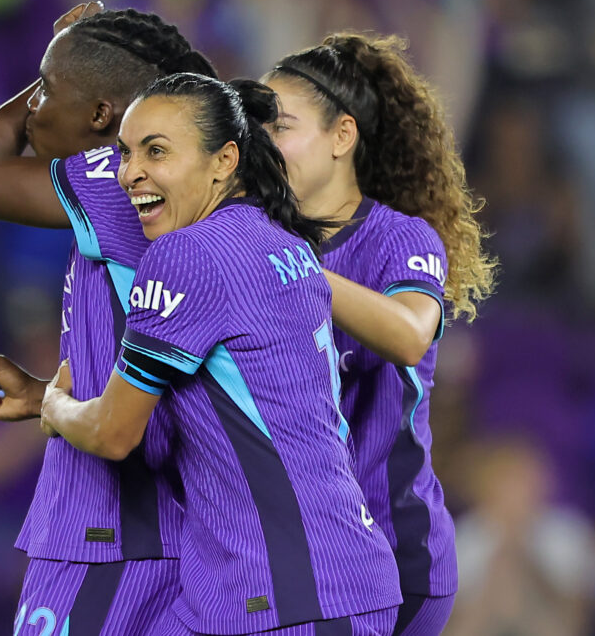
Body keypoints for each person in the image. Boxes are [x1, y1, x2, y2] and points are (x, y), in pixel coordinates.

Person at [36, 74, 402, 635]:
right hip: (302, 579)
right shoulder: (286, 245)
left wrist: (55, 405)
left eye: (156, 151)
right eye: (125, 152)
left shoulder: (186, 256)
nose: (129, 172)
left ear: (224, 160)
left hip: (290, 594)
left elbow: (115, 432)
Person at [0, 3, 217, 634]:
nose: (35, 107)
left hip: (110, 534)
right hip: (179, 534)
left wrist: (59, 48)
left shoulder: (112, 182)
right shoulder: (179, 190)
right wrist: (44, 396)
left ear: (100, 116)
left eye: (48, 90)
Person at [262, 33, 496, 635]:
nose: (262, 143)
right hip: (301, 559)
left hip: (396, 553)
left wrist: (294, 269)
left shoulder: (399, 239)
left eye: (279, 126)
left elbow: (410, 333)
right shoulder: (255, 238)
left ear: (342, 137)